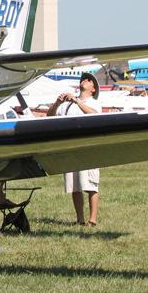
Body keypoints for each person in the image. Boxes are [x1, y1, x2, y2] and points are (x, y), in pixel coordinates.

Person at [47, 72, 101, 226]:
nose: (85, 80)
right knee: (75, 186)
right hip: (71, 148)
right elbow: (49, 116)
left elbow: (94, 115)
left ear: (93, 89)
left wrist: (77, 101)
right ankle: (80, 219)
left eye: (89, 80)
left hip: (88, 148)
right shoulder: (67, 104)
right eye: (84, 78)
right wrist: (57, 103)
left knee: (91, 184)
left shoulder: (94, 102)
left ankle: (93, 219)